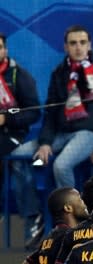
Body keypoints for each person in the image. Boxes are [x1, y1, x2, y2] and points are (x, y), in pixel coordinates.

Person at [9, 25, 93, 246]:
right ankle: (34, 216)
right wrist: (45, 142)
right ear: (65, 46)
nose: (78, 47)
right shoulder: (59, 72)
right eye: (73, 43)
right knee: (18, 155)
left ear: (89, 45)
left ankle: (75, 224)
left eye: (82, 43)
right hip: (61, 133)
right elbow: (51, 113)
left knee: (61, 166)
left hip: (88, 133)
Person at [0, 32, 43, 250]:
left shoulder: (19, 76)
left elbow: (34, 112)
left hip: (14, 135)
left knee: (16, 160)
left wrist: (6, 118)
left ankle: (33, 217)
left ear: (5, 50)